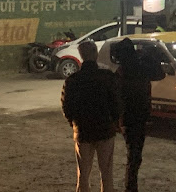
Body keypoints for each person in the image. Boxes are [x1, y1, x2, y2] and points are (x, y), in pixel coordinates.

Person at [61, 40, 121, 192]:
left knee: (83, 174)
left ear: (81, 55)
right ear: (96, 54)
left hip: (83, 131)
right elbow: (116, 103)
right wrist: (114, 122)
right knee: (106, 174)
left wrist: (74, 123)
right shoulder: (107, 77)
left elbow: (67, 106)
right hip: (105, 130)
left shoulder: (73, 80)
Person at [113, 38, 165, 192]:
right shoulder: (139, 68)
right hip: (138, 115)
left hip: (127, 117)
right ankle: (131, 187)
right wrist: (148, 56)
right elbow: (159, 74)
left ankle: (131, 186)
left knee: (133, 153)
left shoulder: (121, 71)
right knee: (135, 155)